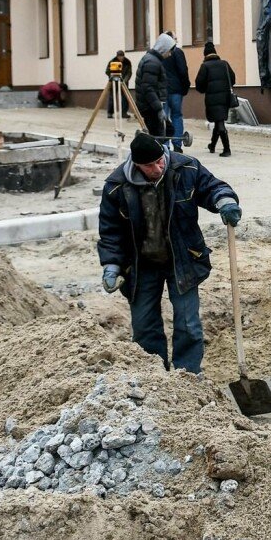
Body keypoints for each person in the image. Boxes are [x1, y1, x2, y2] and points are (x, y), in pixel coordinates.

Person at [97, 133, 242, 373]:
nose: (158, 167)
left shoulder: (185, 168)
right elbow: (111, 231)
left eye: (159, 161)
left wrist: (224, 201)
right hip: (141, 265)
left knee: (188, 323)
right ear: (137, 165)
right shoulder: (117, 187)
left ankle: (188, 376)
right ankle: (154, 375)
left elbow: (212, 187)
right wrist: (111, 266)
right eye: (150, 165)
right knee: (144, 326)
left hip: (183, 260)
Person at [194, 41, 237, 156]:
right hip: (225, 98)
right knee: (219, 121)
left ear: (205, 54)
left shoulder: (205, 66)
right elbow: (233, 79)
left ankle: (227, 149)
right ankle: (212, 145)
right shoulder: (224, 64)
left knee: (220, 123)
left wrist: (205, 90)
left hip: (212, 99)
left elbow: (199, 84)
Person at [134, 33, 174, 140]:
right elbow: (148, 88)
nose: (170, 54)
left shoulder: (150, 59)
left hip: (149, 105)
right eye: (169, 51)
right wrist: (159, 109)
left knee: (166, 131)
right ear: (163, 48)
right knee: (160, 134)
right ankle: (156, 154)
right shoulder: (152, 62)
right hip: (150, 107)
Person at [161, 31, 191, 152]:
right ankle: (177, 144)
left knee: (164, 117)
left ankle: (165, 145)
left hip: (162, 91)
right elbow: (183, 71)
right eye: (175, 38)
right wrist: (185, 87)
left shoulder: (159, 53)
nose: (176, 41)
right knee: (177, 116)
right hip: (176, 90)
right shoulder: (178, 52)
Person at [105, 50, 133, 117]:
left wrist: (125, 80)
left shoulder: (127, 62)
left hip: (124, 82)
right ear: (117, 56)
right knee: (112, 97)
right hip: (114, 81)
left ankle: (123, 113)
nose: (121, 58)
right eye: (119, 56)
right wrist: (112, 77)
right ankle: (110, 113)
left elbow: (129, 72)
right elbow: (107, 71)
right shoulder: (112, 62)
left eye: (122, 56)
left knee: (125, 97)